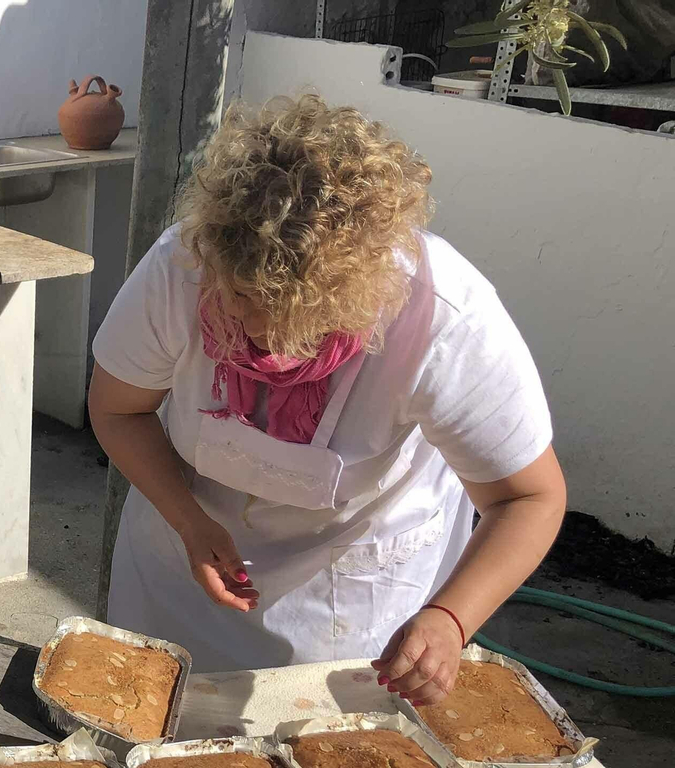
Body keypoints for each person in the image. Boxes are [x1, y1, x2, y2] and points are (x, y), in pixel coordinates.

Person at [89, 94, 565, 703]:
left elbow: (530, 497)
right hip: (181, 558)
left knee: (317, 754)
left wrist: (450, 618)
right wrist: (189, 521)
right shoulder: (181, 267)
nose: (260, 341)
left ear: (361, 295)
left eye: (293, 327)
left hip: (351, 587)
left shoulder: (447, 320)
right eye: (239, 309)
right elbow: (118, 408)